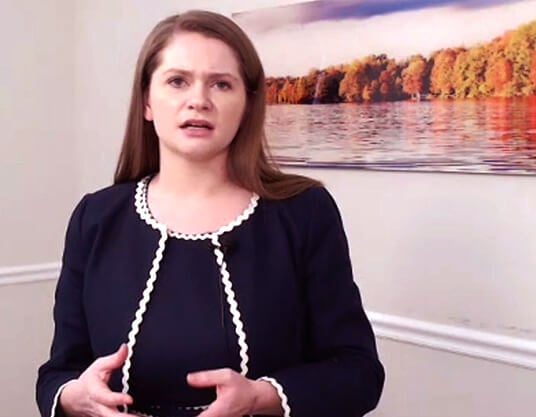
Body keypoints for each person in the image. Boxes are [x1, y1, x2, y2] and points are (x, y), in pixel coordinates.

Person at [36, 9, 385, 417]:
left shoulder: (304, 213)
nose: (198, 100)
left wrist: (260, 397)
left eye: (221, 84)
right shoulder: (94, 218)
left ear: (247, 105)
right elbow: (58, 372)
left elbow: (358, 373)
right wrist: (74, 397)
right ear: (147, 101)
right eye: (177, 81)